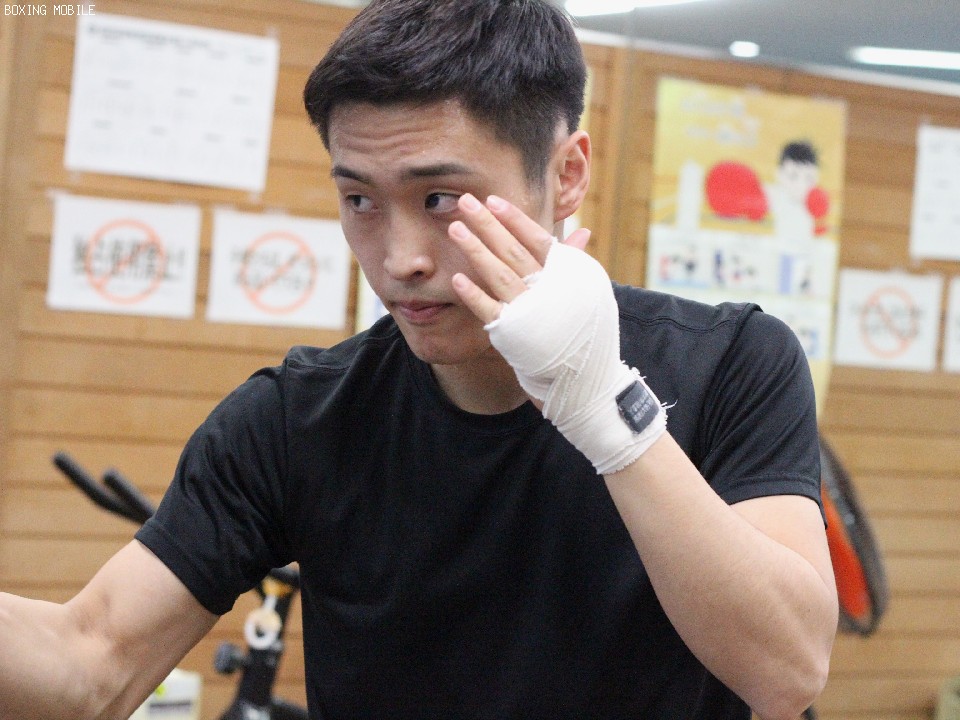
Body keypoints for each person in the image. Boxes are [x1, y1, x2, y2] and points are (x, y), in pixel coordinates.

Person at [0, 1, 838, 718]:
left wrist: (605, 411)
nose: (399, 258)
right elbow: (91, 665)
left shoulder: (730, 361)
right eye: (359, 199)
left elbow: (788, 669)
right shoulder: (297, 420)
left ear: (567, 174)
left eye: (440, 199)